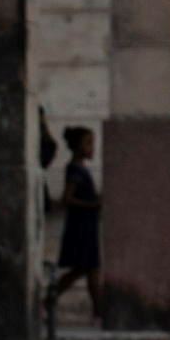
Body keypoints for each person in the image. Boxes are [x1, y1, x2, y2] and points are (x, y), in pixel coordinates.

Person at [46, 125, 104, 322]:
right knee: (85, 268)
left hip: (87, 224)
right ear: (78, 146)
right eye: (88, 143)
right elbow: (67, 199)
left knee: (90, 269)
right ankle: (49, 299)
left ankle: (98, 311)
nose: (92, 148)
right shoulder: (74, 169)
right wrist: (93, 204)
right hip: (81, 225)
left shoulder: (81, 169)